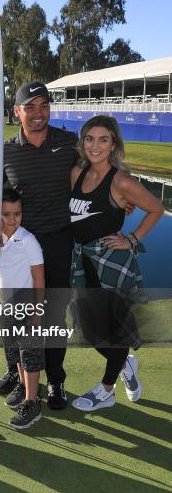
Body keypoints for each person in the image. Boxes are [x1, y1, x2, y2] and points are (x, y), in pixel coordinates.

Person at [69, 115, 164, 411]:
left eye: (103, 139)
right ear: (82, 142)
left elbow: (157, 208)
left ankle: (107, 391)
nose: (95, 146)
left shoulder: (121, 180)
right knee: (88, 328)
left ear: (113, 145)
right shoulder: (77, 174)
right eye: (89, 139)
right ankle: (125, 364)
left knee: (115, 329)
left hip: (112, 263)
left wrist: (132, 240)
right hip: (83, 262)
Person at [0, 81, 78, 410]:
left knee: (54, 315)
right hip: (21, 245)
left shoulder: (68, 142)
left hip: (59, 240)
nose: (37, 113)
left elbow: (98, 172)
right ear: (16, 112)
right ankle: (20, 374)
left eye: (43, 105)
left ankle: (56, 381)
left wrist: (121, 195)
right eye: (29, 106)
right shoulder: (6, 150)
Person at [0, 189, 45, 429]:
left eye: (17, 214)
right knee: (14, 352)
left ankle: (32, 403)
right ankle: (24, 386)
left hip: (27, 309)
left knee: (30, 355)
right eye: (6, 214)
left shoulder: (28, 241)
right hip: (7, 306)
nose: (12, 220)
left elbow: (39, 278)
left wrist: (37, 312)